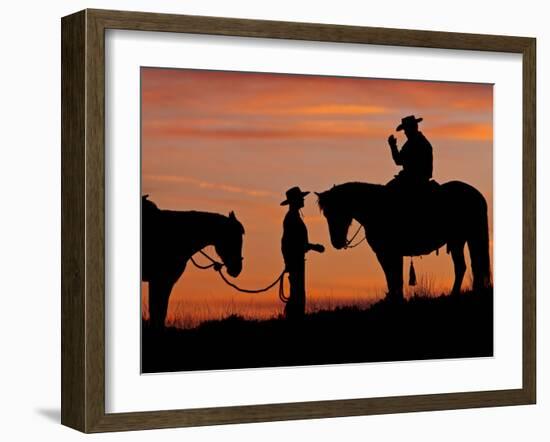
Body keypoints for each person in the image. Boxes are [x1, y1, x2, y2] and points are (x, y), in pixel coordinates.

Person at [280, 186, 325, 320]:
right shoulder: (292, 218)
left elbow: (289, 243)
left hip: (296, 259)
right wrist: (314, 247)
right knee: (298, 293)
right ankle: (295, 319)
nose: (303, 200)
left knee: (297, 292)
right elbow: (291, 243)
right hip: (295, 260)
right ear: (295, 201)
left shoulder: (292, 217)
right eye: (301, 198)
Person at [387, 115, 433, 188]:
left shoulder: (413, 144)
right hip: (421, 179)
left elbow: (398, 161)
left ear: (411, 128)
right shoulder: (420, 142)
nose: (405, 132)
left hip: (410, 180)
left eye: (406, 129)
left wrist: (393, 146)